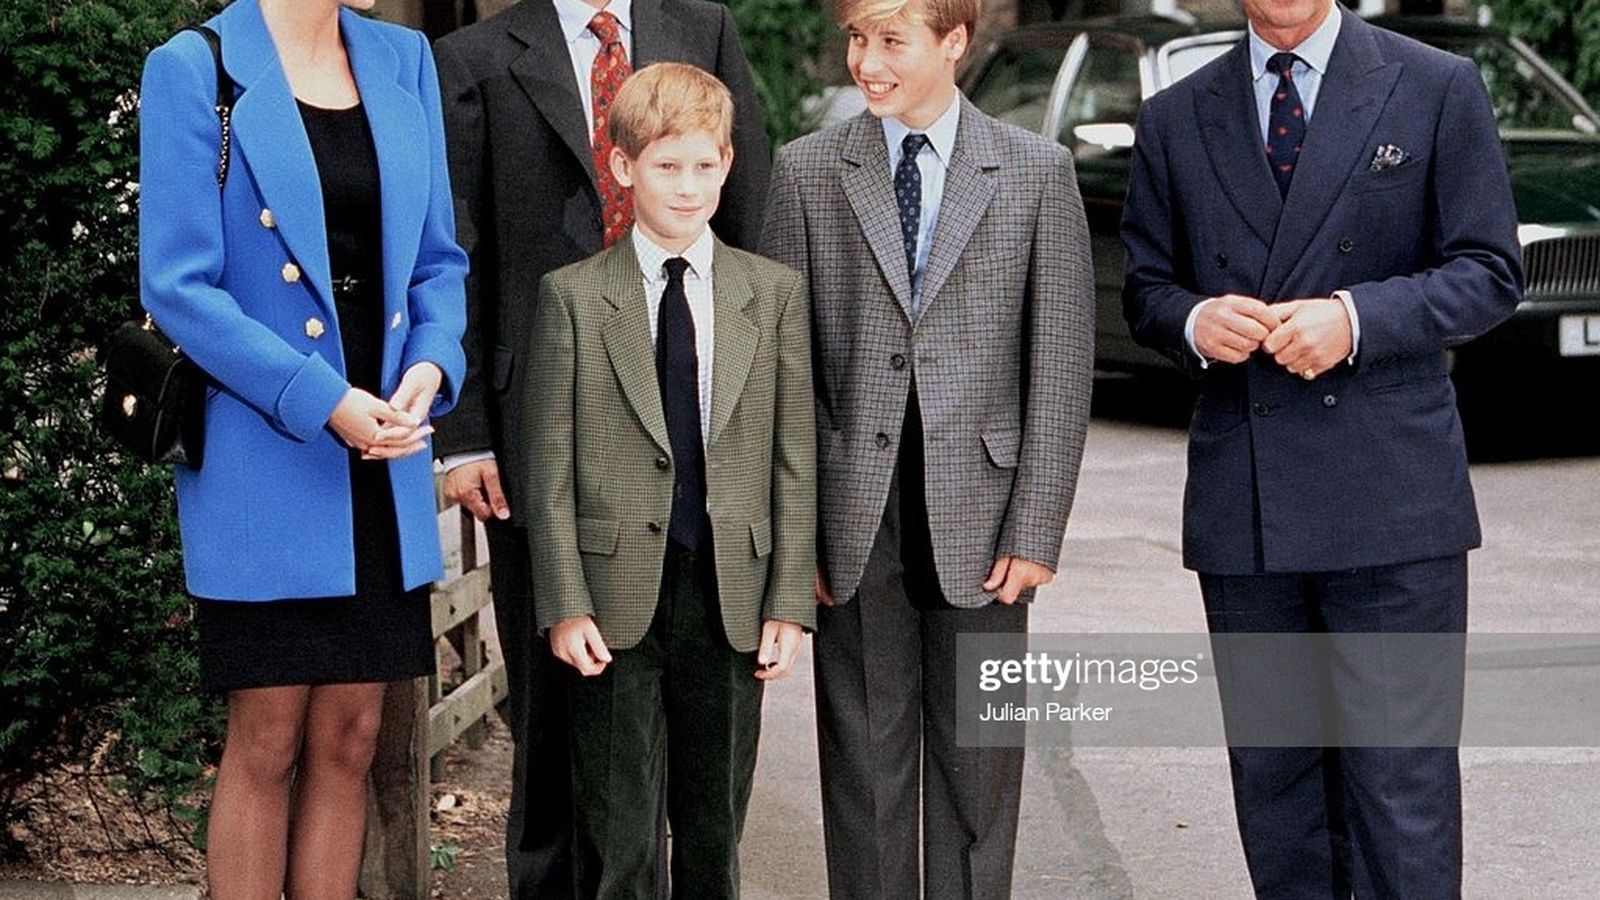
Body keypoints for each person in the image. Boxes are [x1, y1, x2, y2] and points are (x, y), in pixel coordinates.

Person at [1120, 0, 1522, 896]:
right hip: (1247, 504)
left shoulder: (1436, 86)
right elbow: (1145, 287)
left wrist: (1356, 319)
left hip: (1392, 503)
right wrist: (1194, 319)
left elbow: (1490, 271)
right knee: (1279, 791)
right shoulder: (1177, 115)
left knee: (1400, 790)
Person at [430, 4, 769, 894]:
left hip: (689, 408)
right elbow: (456, 248)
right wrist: (463, 435)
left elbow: (752, 219)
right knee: (552, 703)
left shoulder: (705, 29)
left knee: (682, 710)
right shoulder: (471, 57)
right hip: (534, 427)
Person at [760, 0, 1095, 895]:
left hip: (986, 515)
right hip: (852, 512)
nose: (866, 62)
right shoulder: (806, 171)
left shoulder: (1035, 172)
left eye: (890, 41)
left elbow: (1060, 365)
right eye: (856, 39)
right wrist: (796, 538)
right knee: (864, 769)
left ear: (954, 43)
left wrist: (1037, 527)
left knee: (978, 769)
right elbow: (784, 373)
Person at [138, 0, 466, 896]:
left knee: (353, 739)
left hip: (384, 456)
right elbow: (178, 286)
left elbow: (439, 261)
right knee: (267, 739)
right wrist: (323, 401)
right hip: (267, 452)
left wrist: (431, 364)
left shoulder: (404, 59)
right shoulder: (194, 66)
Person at [520, 62, 814, 900]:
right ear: (623, 167)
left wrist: (788, 600)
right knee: (617, 840)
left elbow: (794, 459)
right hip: (614, 601)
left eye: (704, 166)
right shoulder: (574, 299)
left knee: (715, 834)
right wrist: (565, 602)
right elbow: (548, 469)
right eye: (666, 166)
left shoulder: (773, 294)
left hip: (729, 594)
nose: (687, 187)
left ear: (727, 164)